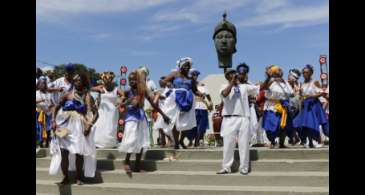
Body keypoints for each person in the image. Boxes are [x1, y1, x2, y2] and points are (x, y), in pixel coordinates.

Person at [118, 70, 170, 175]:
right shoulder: (127, 91)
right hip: (131, 117)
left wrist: (163, 115)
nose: (131, 82)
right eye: (130, 80)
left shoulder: (143, 90)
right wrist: (127, 101)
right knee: (131, 138)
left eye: (134, 80)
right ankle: (127, 161)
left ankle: (137, 165)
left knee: (140, 141)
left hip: (141, 117)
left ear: (138, 80)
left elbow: (153, 104)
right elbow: (121, 103)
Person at [51, 72, 99, 185]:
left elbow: (96, 113)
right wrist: (53, 121)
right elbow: (56, 107)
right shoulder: (68, 94)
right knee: (64, 152)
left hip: (79, 126)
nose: (75, 82)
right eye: (74, 80)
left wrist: (89, 125)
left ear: (83, 82)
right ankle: (65, 177)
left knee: (79, 153)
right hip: (65, 125)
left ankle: (78, 177)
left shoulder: (88, 96)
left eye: (78, 80)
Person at [154, 57, 204, 149]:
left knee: (186, 122)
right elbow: (162, 82)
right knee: (174, 121)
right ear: (180, 66)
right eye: (185, 65)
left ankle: (181, 140)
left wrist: (201, 94)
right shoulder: (175, 74)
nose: (187, 67)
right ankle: (176, 143)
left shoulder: (191, 78)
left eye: (189, 66)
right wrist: (165, 83)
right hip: (175, 98)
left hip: (187, 99)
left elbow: (195, 90)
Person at [217, 68, 259, 175]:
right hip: (228, 118)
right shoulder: (223, 86)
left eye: (234, 74)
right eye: (230, 74)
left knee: (244, 144)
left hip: (243, 117)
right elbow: (224, 94)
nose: (233, 75)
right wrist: (232, 82)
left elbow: (259, 88)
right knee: (228, 145)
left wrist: (268, 78)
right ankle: (226, 167)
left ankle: (244, 168)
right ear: (227, 77)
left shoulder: (244, 86)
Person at [293, 64, 328, 148]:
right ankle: (308, 141)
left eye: (306, 72)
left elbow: (322, 92)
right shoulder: (302, 83)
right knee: (297, 123)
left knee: (311, 123)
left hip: (313, 105)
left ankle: (316, 141)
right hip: (305, 105)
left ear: (311, 73)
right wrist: (301, 97)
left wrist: (313, 96)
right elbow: (301, 95)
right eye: (303, 72)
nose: (304, 74)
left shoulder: (315, 82)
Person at [261, 65, 294, 149]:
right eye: (278, 70)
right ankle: (272, 141)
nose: (280, 71)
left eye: (280, 70)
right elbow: (263, 88)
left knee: (284, 125)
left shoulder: (285, 82)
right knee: (271, 125)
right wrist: (270, 78)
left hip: (284, 106)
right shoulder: (270, 81)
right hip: (272, 106)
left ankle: (281, 143)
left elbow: (291, 93)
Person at [91, 71, 123, 148]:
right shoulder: (101, 87)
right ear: (103, 80)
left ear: (112, 80)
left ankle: (110, 143)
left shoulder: (116, 89)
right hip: (102, 110)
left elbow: (123, 95)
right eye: (105, 79)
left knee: (111, 127)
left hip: (113, 111)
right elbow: (89, 88)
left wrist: (120, 100)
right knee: (100, 125)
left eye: (109, 79)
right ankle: (98, 143)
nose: (107, 81)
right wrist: (97, 89)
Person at [186, 68, 213, 147]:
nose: (195, 76)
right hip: (192, 107)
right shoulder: (188, 85)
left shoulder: (202, 85)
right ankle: (191, 140)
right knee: (191, 126)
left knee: (201, 126)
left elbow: (208, 95)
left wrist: (210, 103)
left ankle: (197, 141)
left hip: (202, 107)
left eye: (196, 75)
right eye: (193, 75)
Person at [138, 65, 158, 146]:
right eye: (140, 73)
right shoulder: (137, 83)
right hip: (139, 106)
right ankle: (140, 141)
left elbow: (157, 93)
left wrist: (153, 103)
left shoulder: (151, 82)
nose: (141, 75)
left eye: (143, 73)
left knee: (149, 123)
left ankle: (149, 141)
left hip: (148, 106)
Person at [36, 78, 55, 148]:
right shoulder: (36, 93)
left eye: (44, 83)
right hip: (38, 115)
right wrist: (40, 100)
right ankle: (39, 145)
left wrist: (50, 108)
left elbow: (53, 105)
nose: (42, 85)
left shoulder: (49, 94)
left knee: (47, 130)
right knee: (39, 130)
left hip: (48, 115)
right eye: (41, 83)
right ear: (38, 85)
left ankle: (46, 144)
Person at [287, 68, 302, 145]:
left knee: (296, 124)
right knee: (289, 124)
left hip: (296, 108)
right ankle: (294, 138)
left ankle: (299, 138)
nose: (288, 77)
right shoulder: (285, 85)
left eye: (290, 76)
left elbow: (299, 97)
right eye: (289, 75)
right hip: (288, 108)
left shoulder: (298, 86)